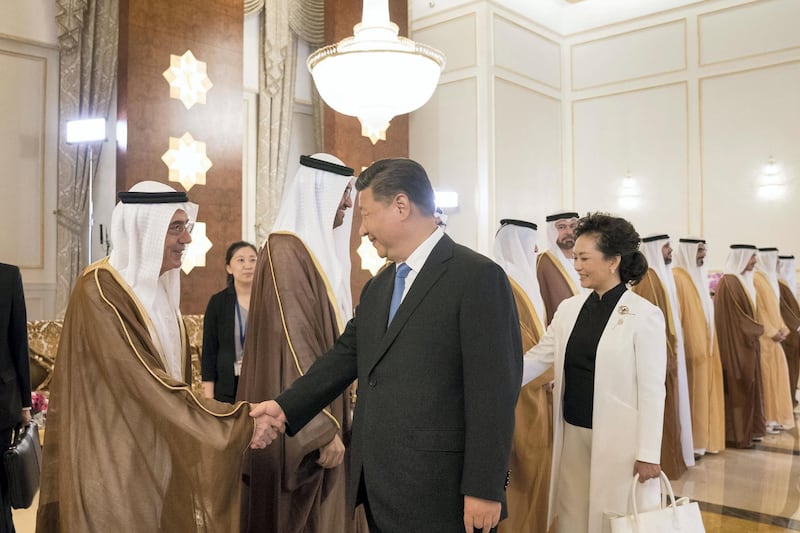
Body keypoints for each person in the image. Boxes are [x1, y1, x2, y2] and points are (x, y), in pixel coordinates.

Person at [252, 158, 522, 533]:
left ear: (400, 205)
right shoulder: (380, 285)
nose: (361, 229)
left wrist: (485, 488)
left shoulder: (476, 276)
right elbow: (344, 357)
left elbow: (494, 393)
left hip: (442, 491)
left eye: (366, 214)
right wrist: (283, 408)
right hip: (379, 485)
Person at [36, 181, 277, 532]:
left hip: (158, 456)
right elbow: (148, 381)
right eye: (175, 228)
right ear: (143, 231)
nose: (187, 239)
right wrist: (238, 423)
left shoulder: (159, 293)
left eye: (186, 227)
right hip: (114, 463)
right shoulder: (101, 290)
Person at [236, 154, 366, 532]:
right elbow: (296, 341)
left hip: (324, 411)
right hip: (299, 423)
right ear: (317, 193)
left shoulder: (314, 253)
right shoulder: (285, 249)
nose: (347, 203)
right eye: (342, 193)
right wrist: (322, 429)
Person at [521, 212, 666, 533]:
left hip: (620, 441)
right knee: (572, 513)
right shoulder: (569, 309)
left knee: (612, 517)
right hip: (573, 430)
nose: (577, 266)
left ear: (613, 261)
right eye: (575, 258)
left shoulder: (645, 316)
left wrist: (648, 453)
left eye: (585, 258)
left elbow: (654, 389)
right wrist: (492, 378)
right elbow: (538, 358)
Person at [493, 219, 553, 533]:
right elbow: (518, 341)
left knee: (535, 471)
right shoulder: (503, 281)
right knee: (517, 472)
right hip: (518, 396)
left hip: (535, 392)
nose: (535, 249)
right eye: (530, 242)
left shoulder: (524, 279)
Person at [633, 234, 694, 478]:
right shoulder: (649, 278)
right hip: (659, 361)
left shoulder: (660, 276)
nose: (670, 251)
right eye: (666, 247)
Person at [673, 238, 725, 455]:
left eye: (704, 250)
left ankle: (702, 442)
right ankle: (692, 444)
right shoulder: (678, 277)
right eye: (699, 250)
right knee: (692, 399)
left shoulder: (698, 277)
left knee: (704, 397)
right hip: (690, 354)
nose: (702, 255)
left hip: (707, 352)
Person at [714, 244, 766, 448]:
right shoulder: (730, 282)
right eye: (752, 257)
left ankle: (749, 431)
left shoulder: (742, 281)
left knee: (749, 389)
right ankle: (736, 436)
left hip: (746, 344)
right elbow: (737, 320)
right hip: (735, 347)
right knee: (737, 390)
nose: (754, 261)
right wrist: (757, 329)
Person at [201, 241, 258, 403]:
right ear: (229, 268)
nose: (247, 265)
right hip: (226, 388)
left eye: (253, 260)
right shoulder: (218, 302)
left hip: (261, 386)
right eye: (240, 260)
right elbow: (209, 352)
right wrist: (209, 398)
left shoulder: (268, 301)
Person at [0, 263, 32, 533]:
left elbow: (20, 344)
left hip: (1, 407)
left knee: (0, 494)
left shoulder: (9, 277)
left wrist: (25, 404)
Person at [753, 247, 794, 431]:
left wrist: (783, 328)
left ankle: (776, 417)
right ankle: (768, 419)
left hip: (775, 339)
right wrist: (771, 331)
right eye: (775, 258)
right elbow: (759, 310)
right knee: (767, 379)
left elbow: (776, 311)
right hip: (765, 340)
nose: (777, 261)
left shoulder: (770, 280)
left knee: (778, 378)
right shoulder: (756, 279)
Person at [537, 211, 581, 325]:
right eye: (562, 227)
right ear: (552, 231)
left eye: (573, 226)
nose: (569, 232)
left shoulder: (587, 260)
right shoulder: (542, 262)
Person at [777, 254, 800, 405]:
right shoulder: (779, 284)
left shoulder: (789, 283)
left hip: (794, 335)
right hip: (786, 335)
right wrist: (796, 325)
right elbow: (784, 311)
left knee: (793, 370)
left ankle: (791, 399)